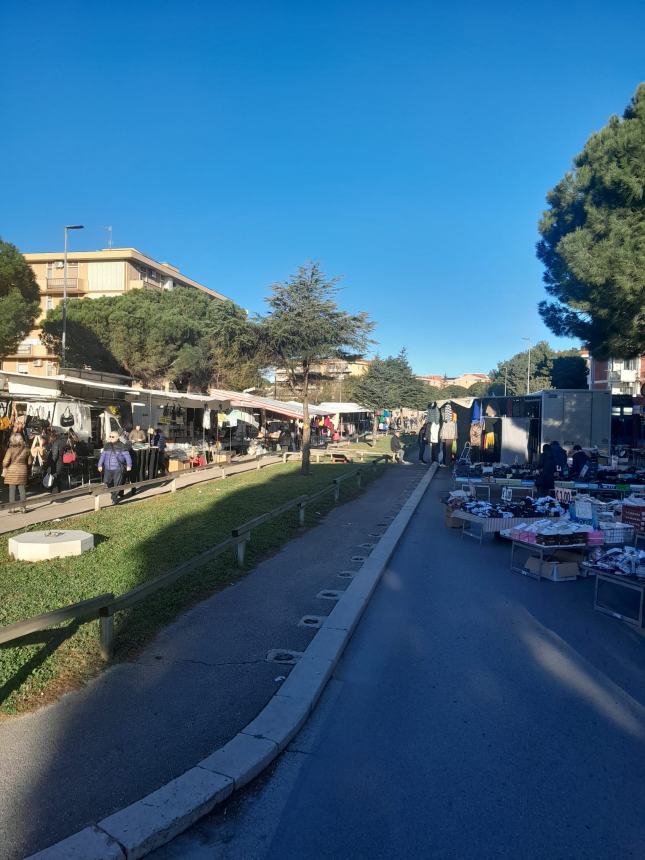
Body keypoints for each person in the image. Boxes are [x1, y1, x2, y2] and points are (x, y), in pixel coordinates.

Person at [98, 431, 132, 504]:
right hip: (107, 468)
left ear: (117, 437)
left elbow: (127, 456)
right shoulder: (106, 445)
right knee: (107, 482)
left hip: (118, 468)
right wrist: (100, 465)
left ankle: (114, 498)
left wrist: (129, 465)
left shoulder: (122, 446)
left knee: (117, 484)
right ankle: (114, 494)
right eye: (110, 436)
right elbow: (103, 456)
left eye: (112, 437)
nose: (111, 438)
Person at [2, 432, 32, 513]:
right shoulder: (27, 450)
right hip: (23, 471)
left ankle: (12, 508)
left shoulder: (10, 450)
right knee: (22, 489)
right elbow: (29, 462)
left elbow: (5, 462)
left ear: (12, 440)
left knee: (12, 490)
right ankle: (23, 508)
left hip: (12, 471)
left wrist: (4, 467)